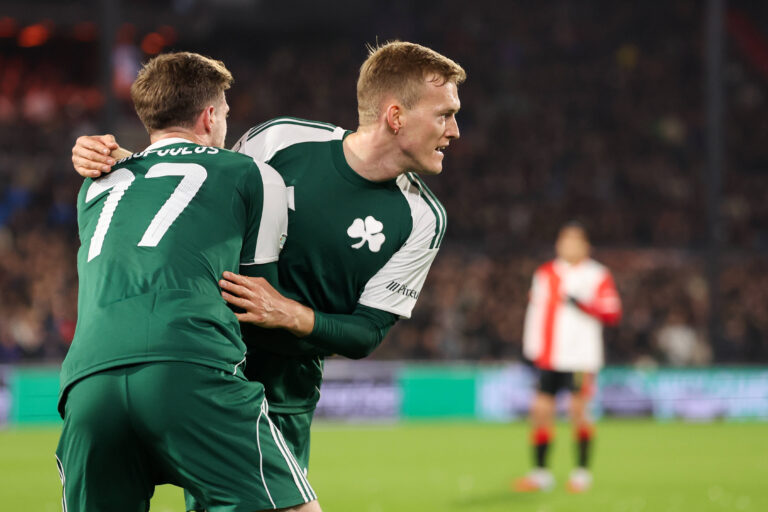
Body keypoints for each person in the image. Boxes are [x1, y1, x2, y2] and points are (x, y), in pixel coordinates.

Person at [70, 40, 464, 510]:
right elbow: (196, 182)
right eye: (445, 114)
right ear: (396, 116)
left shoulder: (423, 218)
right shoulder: (281, 140)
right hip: (202, 357)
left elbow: (366, 333)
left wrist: (293, 315)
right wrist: (107, 160)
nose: (455, 131)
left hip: (283, 391)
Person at [58, 52, 321, 512]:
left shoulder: (94, 184)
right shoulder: (251, 173)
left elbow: (157, 180)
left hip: (86, 383)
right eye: (226, 115)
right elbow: (256, 302)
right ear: (210, 115)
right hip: (189, 367)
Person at [514, 222, 622, 493]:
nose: (568, 246)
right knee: (540, 412)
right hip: (549, 357)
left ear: (586, 246)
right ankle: (540, 474)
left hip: (580, 357)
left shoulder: (597, 274)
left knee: (578, 412)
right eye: (564, 241)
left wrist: (582, 303)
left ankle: (582, 473)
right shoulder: (545, 273)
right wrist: (531, 349)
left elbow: (612, 312)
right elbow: (535, 314)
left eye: (574, 241)